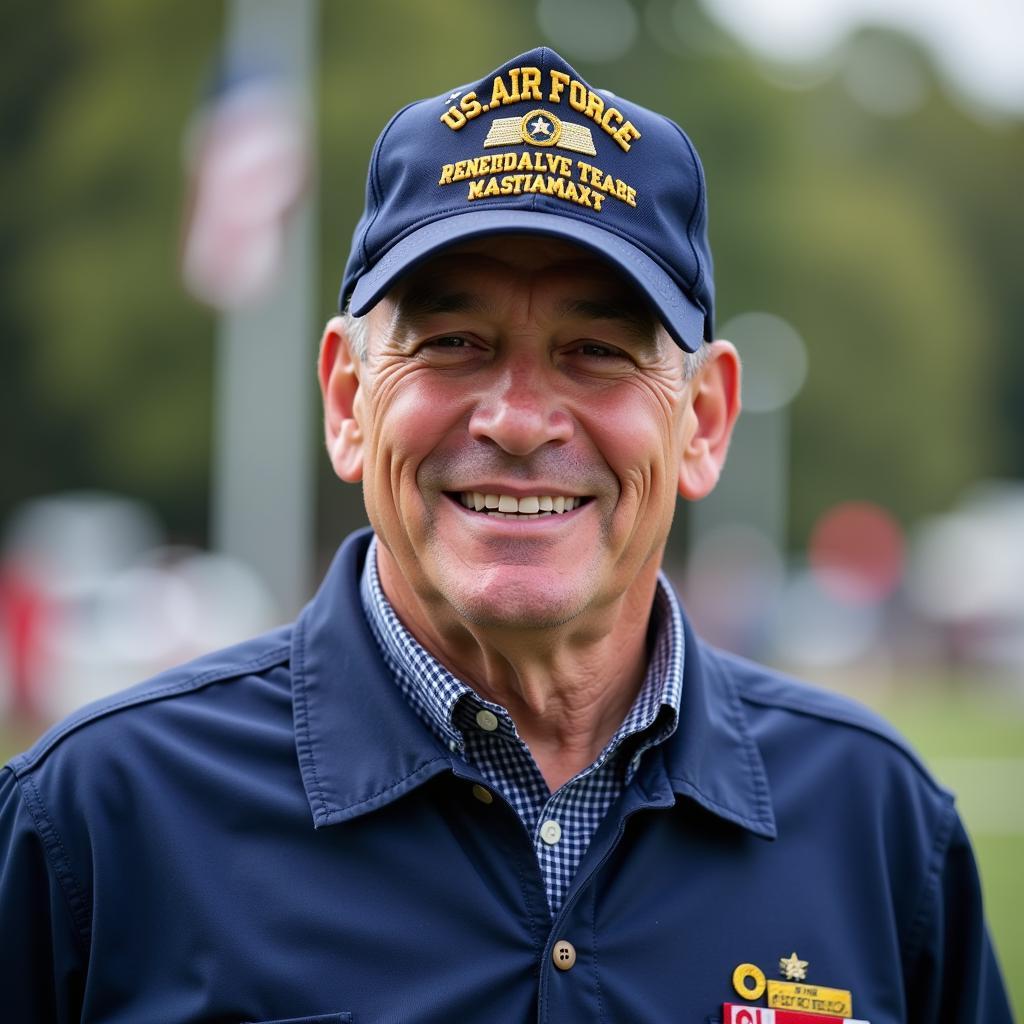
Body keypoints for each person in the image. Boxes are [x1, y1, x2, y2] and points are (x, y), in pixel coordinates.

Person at [0, 46, 1012, 1024]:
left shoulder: (879, 826)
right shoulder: (95, 824)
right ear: (349, 400)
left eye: (595, 350)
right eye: (453, 343)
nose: (519, 419)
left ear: (703, 420)